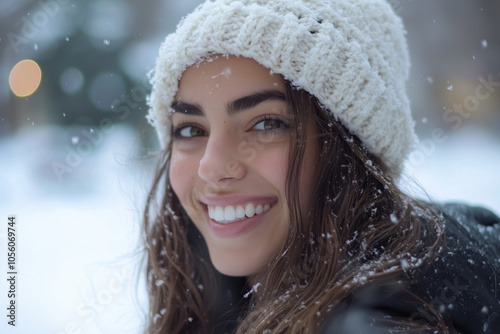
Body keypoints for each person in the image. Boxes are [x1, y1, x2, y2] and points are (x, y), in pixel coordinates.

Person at [143, 0, 500, 333]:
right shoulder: (213, 292)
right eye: (191, 130)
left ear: (353, 150)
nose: (212, 166)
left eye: (267, 124)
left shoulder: (379, 321)